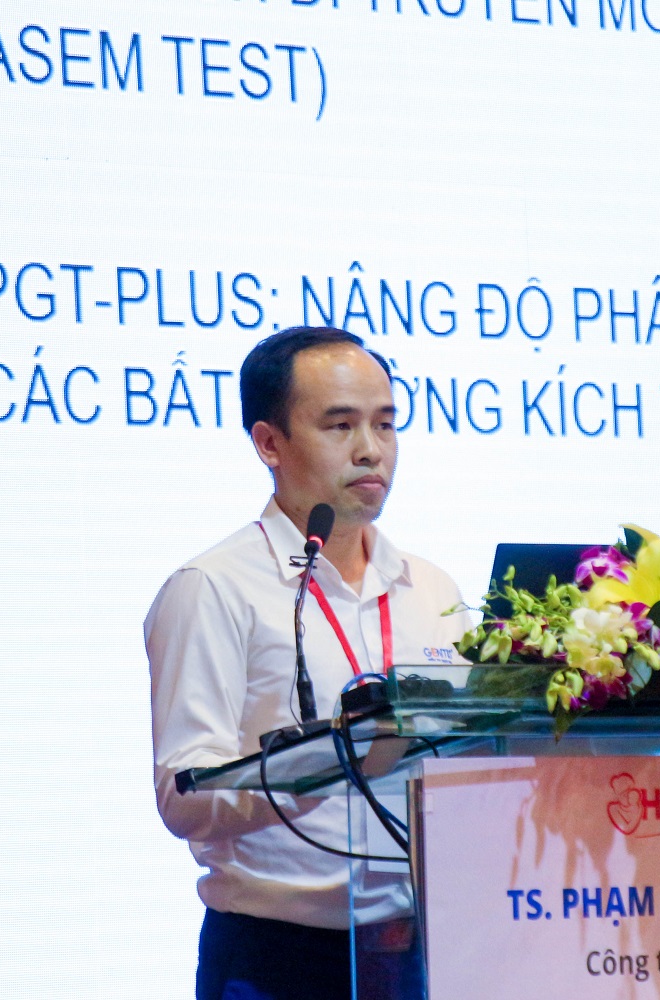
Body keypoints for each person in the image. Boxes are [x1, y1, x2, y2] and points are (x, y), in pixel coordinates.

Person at [145, 326, 470, 1000]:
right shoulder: (213, 588)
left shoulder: (431, 588)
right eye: (340, 425)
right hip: (276, 958)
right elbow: (183, 796)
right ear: (270, 443)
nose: (371, 449)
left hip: (421, 950)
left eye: (386, 424)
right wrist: (330, 765)